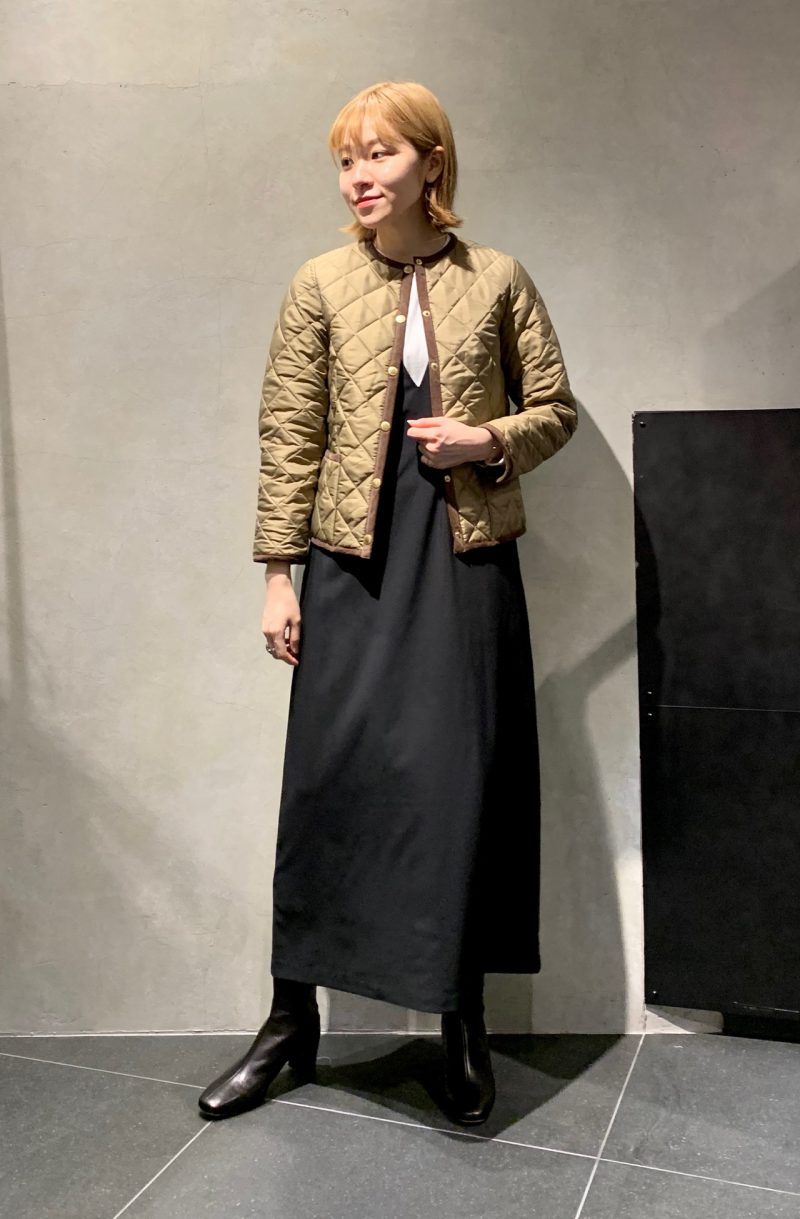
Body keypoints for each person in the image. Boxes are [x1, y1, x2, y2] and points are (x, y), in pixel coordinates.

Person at [199, 80, 578, 1127]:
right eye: (345, 159)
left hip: (461, 560)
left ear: (431, 162)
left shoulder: (496, 278)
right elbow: (289, 432)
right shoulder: (319, 283)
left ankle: (459, 1021)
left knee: (456, 786)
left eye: (379, 154)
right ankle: (291, 1020)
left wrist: (486, 439)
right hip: (349, 562)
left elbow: (555, 408)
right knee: (325, 782)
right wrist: (278, 574)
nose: (358, 176)